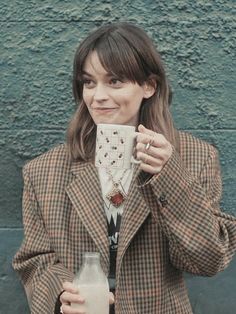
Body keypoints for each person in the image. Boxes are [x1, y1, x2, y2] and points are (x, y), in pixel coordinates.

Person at [13, 22, 236, 314]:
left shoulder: (195, 157)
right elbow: (34, 260)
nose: (97, 96)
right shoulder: (43, 171)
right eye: (88, 82)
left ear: (149, 86)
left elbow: (207, 260)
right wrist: (62, 296)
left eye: (115, 81)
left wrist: (168, 177)